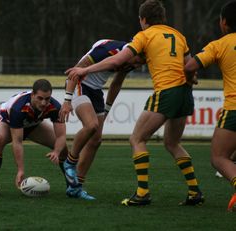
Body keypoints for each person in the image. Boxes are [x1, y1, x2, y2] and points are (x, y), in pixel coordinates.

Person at [65, 0, 204, 206]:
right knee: (170, 143)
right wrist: (191, 78)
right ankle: (194, 192)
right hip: (184, 93)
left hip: (163, 91)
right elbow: (190, 66)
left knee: (124, 139)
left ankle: (136, 192)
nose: (140, 64)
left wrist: (102, 99)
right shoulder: (177, 35)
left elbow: (116, 72)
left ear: (143, 20)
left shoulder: (143, 39)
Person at [59, 39, 144, 200]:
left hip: (96, 90)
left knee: (96, 140)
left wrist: (106, 110)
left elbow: (116, 84)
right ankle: (70, 162)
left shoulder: (131, 59)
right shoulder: (108, 50)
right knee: (91, 126)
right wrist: (67, 100)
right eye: (138, 61)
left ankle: (76, 188)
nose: (138, 65)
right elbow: (75, 72)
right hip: (79, 84)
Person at [184, 0, 236, 211]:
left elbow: (190, 65)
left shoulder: (219, 44)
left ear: (223, 22)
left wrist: (190, 79)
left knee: (218, 157)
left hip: (234, 108)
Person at [0, 79, 68, 197]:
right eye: (40, 98)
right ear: (32, 95)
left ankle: (72, 186)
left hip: (32, 124)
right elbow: (17, 142)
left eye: (47, 98)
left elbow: (61, 136)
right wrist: (20, 170)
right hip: (7, 121)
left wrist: (56, 151)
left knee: (63, 148)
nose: (44, 103)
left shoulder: (55, 107)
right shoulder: (18, 108)